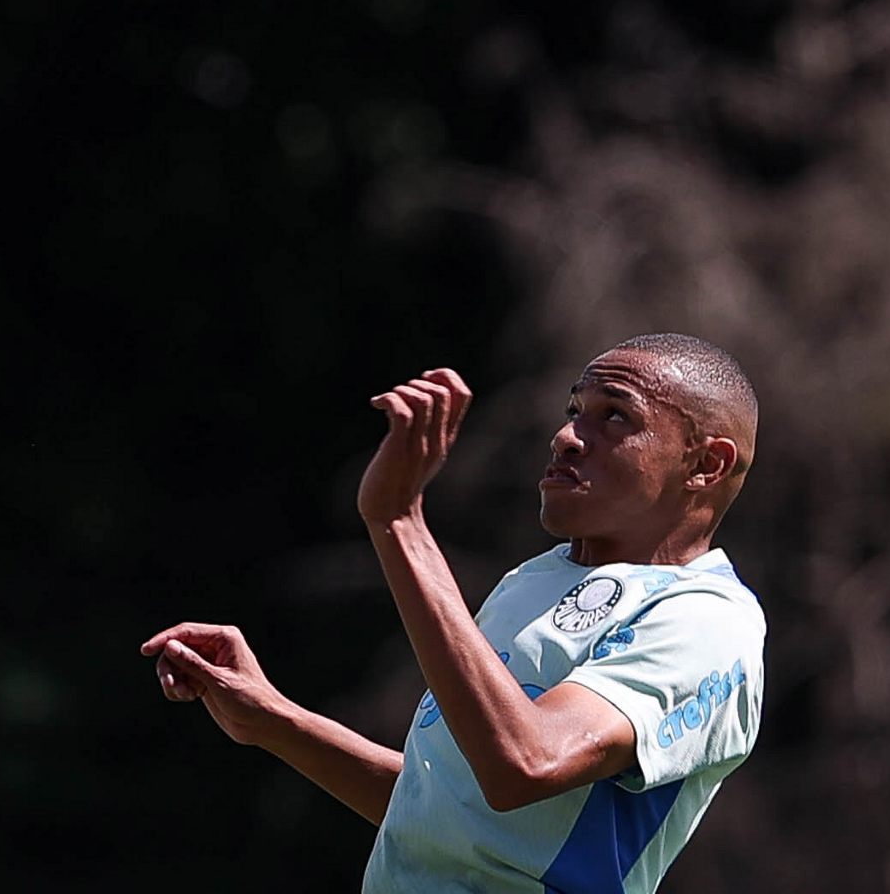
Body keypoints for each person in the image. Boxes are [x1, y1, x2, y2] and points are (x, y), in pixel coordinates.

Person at [141, 333, 766, 892]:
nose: (567, 436)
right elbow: (445, 814)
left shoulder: (707, 621)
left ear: (706, 464)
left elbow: (525, 763)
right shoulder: (535, 579)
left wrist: (399, 522)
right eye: (575, 410)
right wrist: (272, 719)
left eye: (615, 416)